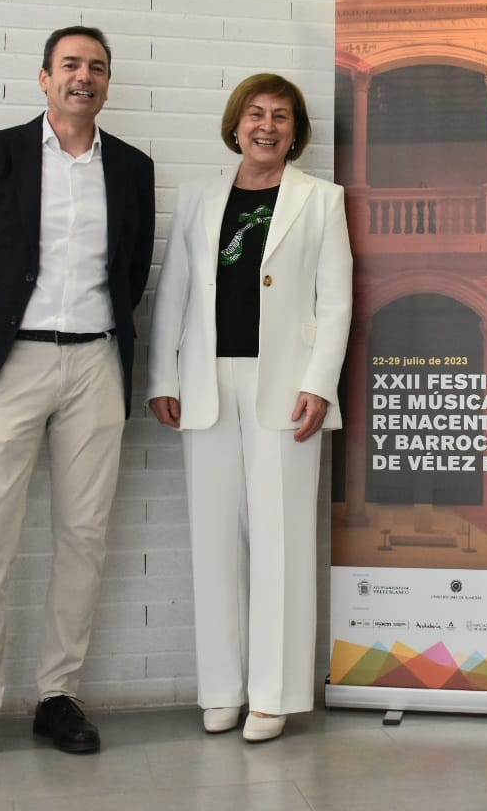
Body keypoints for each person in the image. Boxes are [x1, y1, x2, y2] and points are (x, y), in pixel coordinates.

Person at [0, 26, 155, 769]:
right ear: (44, 77)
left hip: (96, 363)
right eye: (70, 65)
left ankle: (59, 693)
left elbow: (131, 273)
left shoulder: (132, 167)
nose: (83, 76)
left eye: (97, 67)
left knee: (83, 535)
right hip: (11, 363)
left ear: (108, 82)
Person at [146, 73, 351, 743]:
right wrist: (163, 375)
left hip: (286, 389)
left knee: (282, 541)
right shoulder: (198, 198)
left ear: (296, 133)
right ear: (235, 125)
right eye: (256, 114)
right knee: (214, 544)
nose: (267, 126)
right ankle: (222, 690)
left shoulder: (321, 200)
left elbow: (336, 300)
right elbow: (175, 292)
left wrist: (320, 383)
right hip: (206, 385)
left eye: (281, 117)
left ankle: (274, 694)